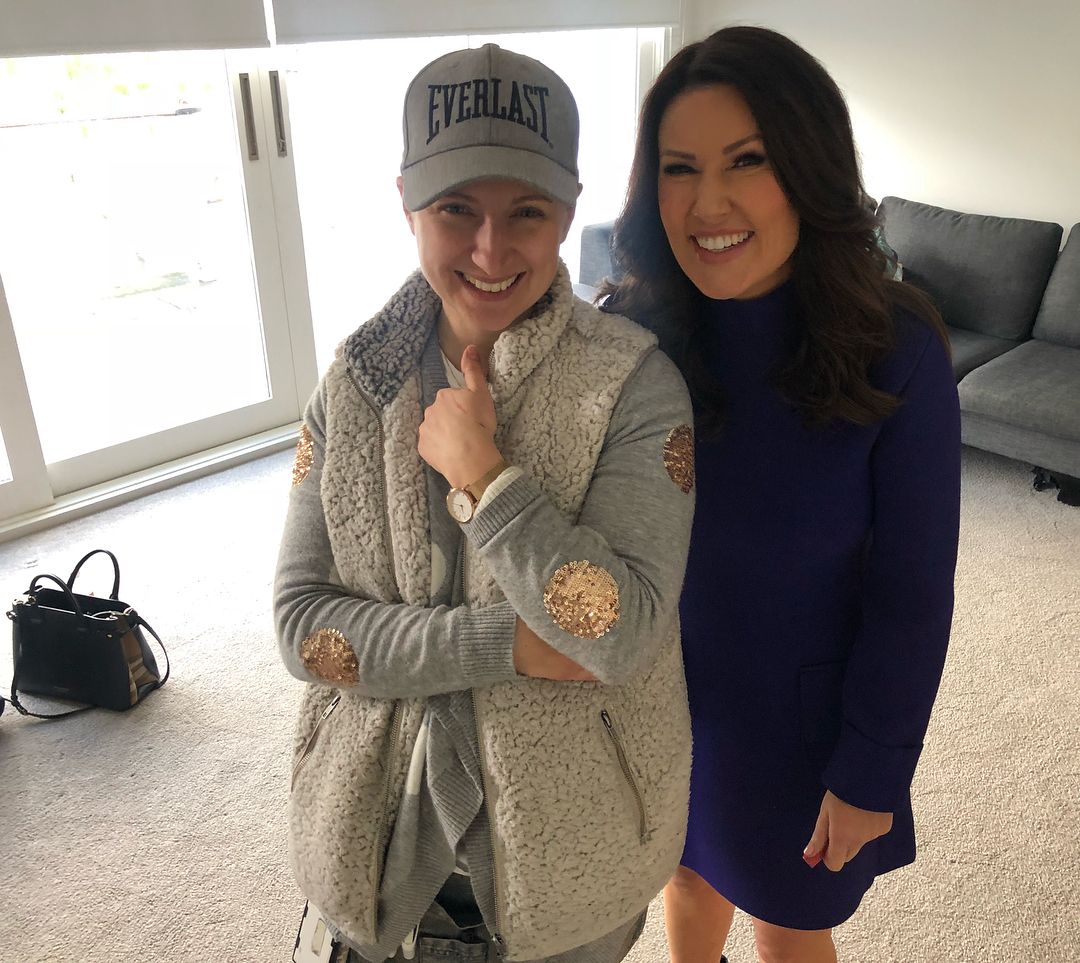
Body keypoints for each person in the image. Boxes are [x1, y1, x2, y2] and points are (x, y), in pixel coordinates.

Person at [274, 43, 696, 963]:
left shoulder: (634, 385)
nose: (491, 250)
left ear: (569, 213)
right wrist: (504, 644)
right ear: (406, 203)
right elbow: (303, 628)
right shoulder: (352, 386)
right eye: (456, 209)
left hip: (573, 868)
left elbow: (620, 635)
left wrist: (488, 482)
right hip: (370, 844)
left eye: (526, 213)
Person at [602, 25, 961, 963]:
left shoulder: (897, 348)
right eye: (679, 168)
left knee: (791, 921)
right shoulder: (631, 334)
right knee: (687, 876)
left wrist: (874, 768)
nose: (707, 202)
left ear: (807, 165)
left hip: (801, 726)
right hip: (663, 705)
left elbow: (913, 593)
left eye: (747, 160)